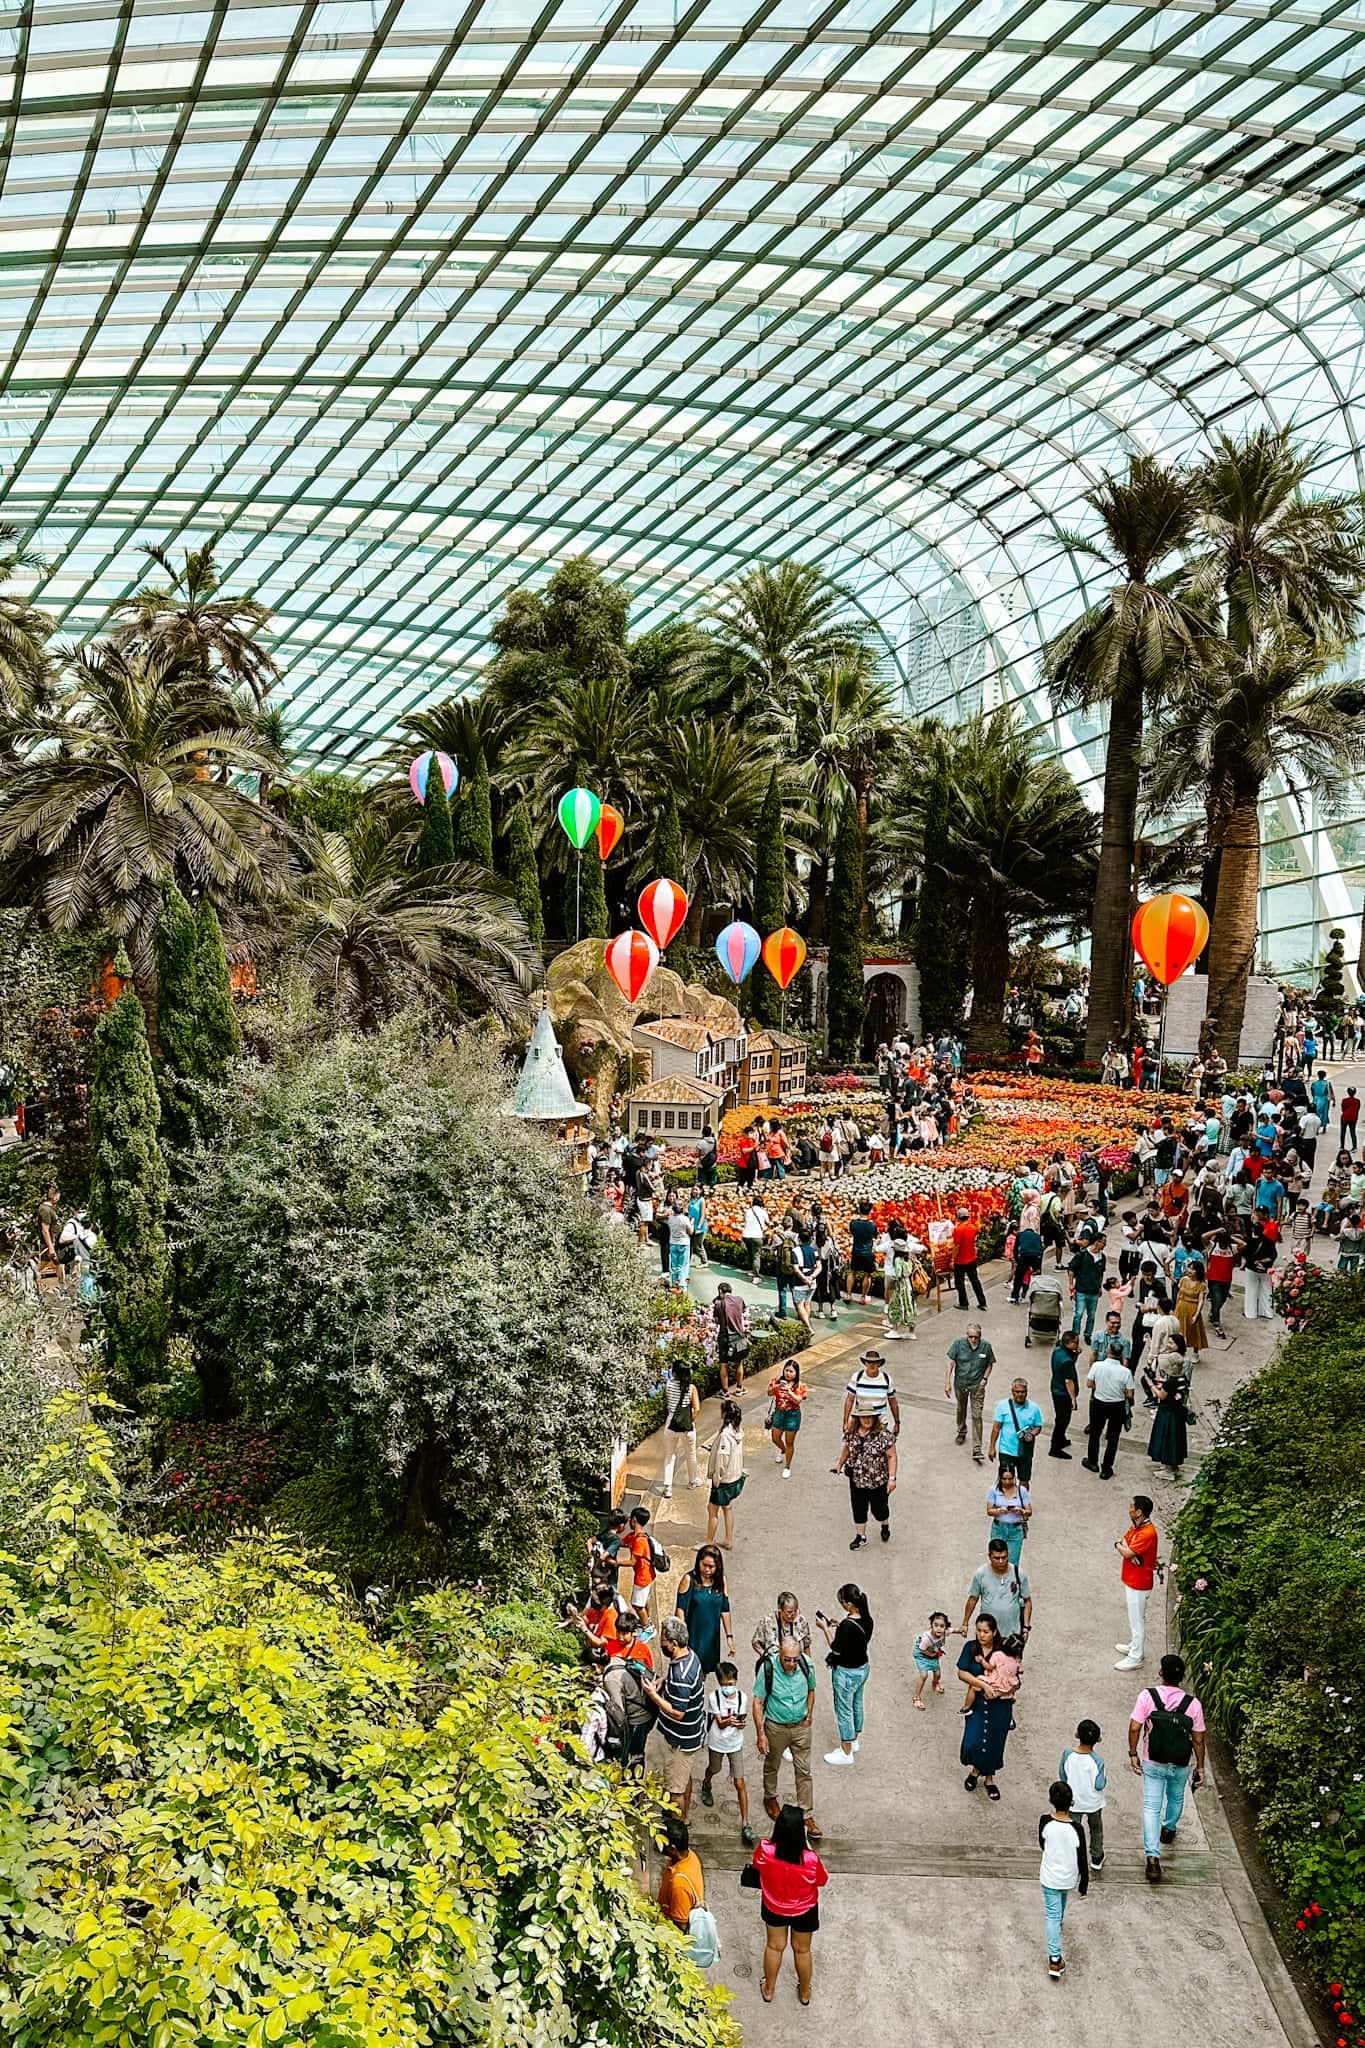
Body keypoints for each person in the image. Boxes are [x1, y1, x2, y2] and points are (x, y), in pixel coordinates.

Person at [1129, 1652, 1206, 1882]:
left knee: (1151, 1807)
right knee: (1176, 1797)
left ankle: (1152, 1857)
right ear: (1181, 1677)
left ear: (1161, 1673)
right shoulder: (1193, 1705)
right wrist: (1200, 1768)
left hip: (1153, 1759)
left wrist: (1133, 1753)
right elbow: (1198, 1740)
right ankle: (1169, 1828)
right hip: (1180, 1762)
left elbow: (1135, 1727)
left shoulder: (1147, 1696)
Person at [749, 1805, 829, 2007]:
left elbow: (757, 1865)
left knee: (774, 1946)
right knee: (802, 1950)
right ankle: (804, 1993)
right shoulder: (809, 1859)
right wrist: (809, 1850)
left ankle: (769, 1989)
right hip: (804, 1909)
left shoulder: (766, 1850)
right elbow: (821, 1879)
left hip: (774, 1905)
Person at [753, 1636, 821, 1840]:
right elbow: (758, 1702)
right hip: (776, 1727)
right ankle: (770, 1797)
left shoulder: (806, 1664)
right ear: (779, 1655)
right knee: (772, 1764)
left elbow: (811, 1690)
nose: (791, 1663)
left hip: (801, 1727)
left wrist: (809, 1714)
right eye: (787, 1659)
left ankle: (806, 1814)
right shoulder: (769, 1668)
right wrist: (761, 1734)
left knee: (804, 1771)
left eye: (794, 1659)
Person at [647, 1616, 708, 1817]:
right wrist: (663, 1682)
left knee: (675, 1790)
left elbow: (678, 1712)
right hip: (690, 1734)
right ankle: (685, 1816)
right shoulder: (689, 1657)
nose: (661, 1645)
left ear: (674, 1644)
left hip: (681, 1740)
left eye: (663, 1642)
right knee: (683, 1778)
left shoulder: (682, 1674)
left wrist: (653, 1695)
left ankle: (678, 1826)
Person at [957, 1614, 1015, 1798]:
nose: (981, 1635)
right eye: (979, 1630)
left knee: (994, 1743)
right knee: (974, 1740)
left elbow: (1014, 1673)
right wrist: (983, 1685)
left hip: (999, 1705)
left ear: (994, 1632)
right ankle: (975, 1770)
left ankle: (988, 1777)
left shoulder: (1002, 1651)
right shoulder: (970, 1648)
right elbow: (962, 1673)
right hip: (978, 1704)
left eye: (986, 1631)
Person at [815, 1583, 873, 1766]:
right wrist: (838, 1625)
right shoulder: (867, 1619)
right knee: (857, 1703)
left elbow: (836, 1649)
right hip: (862, 1668)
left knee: (844, 1710)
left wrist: (825, 1628)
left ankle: (846, 1751)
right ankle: (854, 1740)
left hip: (846, 1673)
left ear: (848, 1604)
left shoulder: (847, 1627)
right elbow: (858, 1639)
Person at [1038, 1780, 1089, 1979]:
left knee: (1052, 1913)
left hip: (1049, 1876)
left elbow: (1042, 1844)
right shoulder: (1076, 1829)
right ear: (1071, 1802)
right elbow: (1082, 1858)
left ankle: (1055, 1958)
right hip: (1068, 1877)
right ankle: (1055, 1953)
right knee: (1059, 1908)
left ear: (1051, 1800)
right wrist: (1084, 1883)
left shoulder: (1044, 1822)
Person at [701, 1659, 756, 1844]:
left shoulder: (742, 1698)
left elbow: (739, 1722)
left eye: (730, 1684)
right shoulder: (714, 1698)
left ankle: (745, 1823)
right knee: (714, 1768)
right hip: (717, 1742)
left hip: (735, 1744)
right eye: (724, 1684)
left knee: (739, 1782)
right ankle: (706, 1782)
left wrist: (739, 1724)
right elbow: (719, 1722)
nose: (728, 1688)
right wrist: (730, 1722)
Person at [832, 1404, 898, 1549]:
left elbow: (892, 1456)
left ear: (874, 1418)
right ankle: (860, 1536)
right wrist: (839, 1464)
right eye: (864, 1417)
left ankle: (884, 1524)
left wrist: (892, 1479)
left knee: (879, 1509)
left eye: (869, 1417)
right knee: (858, 1507)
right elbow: (847, 1448)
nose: (867, 1420)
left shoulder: (884, 1435)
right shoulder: (852, 1432)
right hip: (857, 1479)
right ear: (858, 1418)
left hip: (878, 1481)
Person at [1114, 1494, 1159, 1671]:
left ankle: (1136, 1656)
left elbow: (1126, 1551)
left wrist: (1120, 1547)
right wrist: (1124, 1548)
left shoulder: (1147, 1533)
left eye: (1132, 1507)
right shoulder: (1136, 1526)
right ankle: (1134, 1646)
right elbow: (1125, 1542)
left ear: (1139, 1512)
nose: (1129, 1509)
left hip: (1139, 1583)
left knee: (1137, 1620)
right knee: (1135, 1618)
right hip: (1132, 1579)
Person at [674, 1544, 734, 1677]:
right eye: (704, 1565)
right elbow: (680, 1609)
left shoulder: (721, 1581)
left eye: (711, 1567)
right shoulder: (689, 1580)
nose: (707, 1569)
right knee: (688, 1672)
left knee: (702, 1674)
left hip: (710, 1638)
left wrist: (729, 1636)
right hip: (693, 1637)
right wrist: (683, 1637)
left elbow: (725, 1609)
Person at [959, 1538, 1032, 1642]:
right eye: (997, 1558)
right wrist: (965, 1623)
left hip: (1012, 1634)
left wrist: (1025, 1627)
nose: (1001, 1561)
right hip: (988, 1634)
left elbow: (1027, 1601)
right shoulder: (981, 1574)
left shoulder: (1019, 1574)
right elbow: (973, 1599)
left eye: (1004, 1557)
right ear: (989, 1557)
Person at [1082, 1340, 1135, 1481]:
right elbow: (1130, 1394)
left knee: (1095, 1433)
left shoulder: (1097, 1366)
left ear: (1107, 1351)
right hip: (1117, 1406)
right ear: (1121, 1355)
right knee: (1113, 1437)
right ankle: (1106, 1467)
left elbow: (1089, 1384)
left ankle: (1092, 1461)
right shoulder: (1126, 1372)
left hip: (1099, 1403)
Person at [945, 1322, 996, 1464]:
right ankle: (961, 1431)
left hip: (977, 1386)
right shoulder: (958, 1344)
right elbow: (951, 1362)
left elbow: (990, 1363)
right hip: (960, 1383)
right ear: (966, 1335)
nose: (973, 1340)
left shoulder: (986, 1346)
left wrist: (985, 1379)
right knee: (961, 1409)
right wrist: (947, 1382)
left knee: (977, 1415)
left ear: (980, 1336)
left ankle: (977, 1448)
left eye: (976, 1337)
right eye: (970, 1336)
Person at [1059, 1719, 1106, 1872]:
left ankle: (1073, 1858)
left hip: (1074, 1801)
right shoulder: (1098, 1760)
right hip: (1093, 1803)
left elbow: (1062, 1775)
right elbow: (1099, 1784)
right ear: (1098, 1740)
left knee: (1073, 1829)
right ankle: (1096, 1857)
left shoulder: (1068, 1754)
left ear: (1077, 1735)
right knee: (1096, 1828)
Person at [705, 1400, 746, 1548]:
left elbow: (723, 1458)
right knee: (727, 1507)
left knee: (712, 1509)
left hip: (724, 1479)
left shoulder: (725, 1435)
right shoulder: (737, 1430)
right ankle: (728, 1540)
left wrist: (717, 1477)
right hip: (735, 1476)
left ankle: (709, 1541)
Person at [989, 1375, 1044, 1484]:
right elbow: (996, 1428)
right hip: (1006, 1451)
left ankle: (1022, 1500)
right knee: (1005, 1482)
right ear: (1012, 1392)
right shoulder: (1002, 1406)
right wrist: (992, 1447)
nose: (1020, 1394)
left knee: (1024, 1482)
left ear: (1027, 1392)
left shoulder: (1034, 1408)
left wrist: (1032, 1434)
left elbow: (1038, 1426)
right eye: (1017, 1391)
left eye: (1023, 1392)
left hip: (1025, 1452)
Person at [657, 1812, 705, 1930]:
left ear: (672, 1849)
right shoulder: (690, 1855)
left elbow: (681, 1925)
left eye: (661, 1841)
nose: (658, 1843)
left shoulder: (679, 1884)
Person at [661, 1361, 701, 1499]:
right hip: (687, 1427)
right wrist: (689, 1422)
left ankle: (667, 1487)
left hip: (671, 1424)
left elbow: (669, 1404)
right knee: (691, 1453)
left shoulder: (669, 1385)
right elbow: (697, 1409)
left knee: (669, 1455)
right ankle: (692, 1480)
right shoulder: (691, 1388)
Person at [766, 1357, 808, 1478]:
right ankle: (782, 1449)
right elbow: (769, 1393)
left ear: (796, 1373)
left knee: (790, 1442)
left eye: (791, 1371)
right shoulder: (777, 1381)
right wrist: (777, 1387)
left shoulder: (800, 1386)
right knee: (775, 1438)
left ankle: (787, 1466)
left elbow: (798, 1400)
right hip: (779, 1412)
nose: (788, 1373)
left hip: (792, 1415)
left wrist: (789, 1392)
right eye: (786, 1370)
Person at [842, 1349, 900, 1435]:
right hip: (860, 1423)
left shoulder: (886, 1379)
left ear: (879, 1364)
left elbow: (893, 1403)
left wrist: (897, 1422)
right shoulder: (857, 1377)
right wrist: (846, 1422)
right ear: (865, 1363)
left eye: (875, 1363)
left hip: (880, 1423)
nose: (872, 1365)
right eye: (869, 1362)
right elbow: (849, 1400)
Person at [985, 1463, 1031, 1565]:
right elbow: (989, 1511)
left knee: (1013, 1561)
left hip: (1015, 1529)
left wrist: (1021, 1511)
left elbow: (1029, 1511)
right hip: (999, 1528)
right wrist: (999, 1511)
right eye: (1004, 1479)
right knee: (997, 1560)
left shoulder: (1021, 1491)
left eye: (1010, 1479)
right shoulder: (994, 1490)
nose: (1007, 1482)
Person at [751, 1590, 812, 1663]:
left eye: (795, 1611)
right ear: (780, 1609)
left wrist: (809, 1665)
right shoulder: (767, 1622)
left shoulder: (801, 1621)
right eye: (789, 1612)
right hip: (774, 1666)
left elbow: (806, 1646)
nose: (793, 1615)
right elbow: (755, 1642)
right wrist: (765, 1657)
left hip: (797, 1665)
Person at [620, 1505, 660, 1614]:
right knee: (644, 1599)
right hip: (648, 1574)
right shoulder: (633, 1536)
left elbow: (632, 1561)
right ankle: (648, 1621)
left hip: (642, 1576)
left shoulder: (640, 1541)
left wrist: (616, 1563)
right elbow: (621, 1542)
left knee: (637, 1605)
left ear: (634, 1520)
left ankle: (647, 1626)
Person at [1048, 1329, 1081, 1459]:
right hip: (1063, 1394)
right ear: (1070, 1342)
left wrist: (1075, 1354)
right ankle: (1055, 1447)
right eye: (1076, 1343)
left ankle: (1061, 1439)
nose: (1078, 1345)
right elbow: (1069, 1381)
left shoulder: (1058, 1351)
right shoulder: (1066, 1360)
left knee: (1060, 1416)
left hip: (1055, 1388)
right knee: (1063, 1420)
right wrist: (1073, 1399)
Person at [1068, 1235, 1105, 1345]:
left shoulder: (1102, 1257)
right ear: (1096, 1242)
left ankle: (1088, 1334)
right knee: (1078, 1314)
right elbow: (1071, 1269)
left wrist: (1099, 1286)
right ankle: (1075, 1334)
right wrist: (1071, 1284)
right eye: (1103, 1242)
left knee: (1091, 1315)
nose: (1104, 1244)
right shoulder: (1082, 1255)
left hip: (1094, 1291)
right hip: (1081, 1290)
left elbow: (1101, 1273)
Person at [713, 1283, 749, 1392]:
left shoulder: (719, 1304)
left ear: (720, 1292)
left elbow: (716, 1320)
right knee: (739, 1363)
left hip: (724, 1337)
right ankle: (739, 1387)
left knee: (723, 1364)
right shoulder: (739, 1300)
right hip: (738, 1336)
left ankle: (725, 1391)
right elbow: (742, 1311)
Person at [912, 1610, 951, 1710]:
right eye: (936, 1625)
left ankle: (935, 1682)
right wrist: (931, 1655)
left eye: (942, 1626)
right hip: (923, 1654)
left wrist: (961, 1630)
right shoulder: (926, 1639)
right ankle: (916, 1697)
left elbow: (953, 1630)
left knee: (937, 1674)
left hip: (933, 1653)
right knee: (924, 1675)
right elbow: (922, 1649)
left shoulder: (944, 1633)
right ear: (931, 1625)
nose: (939, 1628)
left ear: (945, 1627)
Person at [952, 1204, 987, 1310]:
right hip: (971, 1259)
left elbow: (957, 1246)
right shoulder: (973, 1228)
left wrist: (952, 1259)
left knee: (960, 1282)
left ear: (958, 1217)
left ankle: (963, 1303)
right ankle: (982, 1302)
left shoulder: (958, 1230)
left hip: (960, 1260)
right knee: (975, 1281)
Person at [1175, 1258, 1209, 1366]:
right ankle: (1179, 1351)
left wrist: (1197, 1314)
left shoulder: (1201, 1285)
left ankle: (1195, 1352)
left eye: (1192, 1269)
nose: (1189, 1271)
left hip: (1192, 1308)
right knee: (1179, 1331)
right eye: (1189, 1268)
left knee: (1194, 1331)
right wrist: (1176, 1307)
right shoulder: (1183, 1280)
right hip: (1181, 1306)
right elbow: (1179, 1294)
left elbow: (1201, 1301)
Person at [847, 1200, 878, 1305]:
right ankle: (863, 1297)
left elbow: (851, 1233)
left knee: (852, 1272)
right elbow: (875, 1236)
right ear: (870, 1211)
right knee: (867, 1275)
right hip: (867, 1252)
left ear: (859, 1210)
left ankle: (848, 1295)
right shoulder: (872, 1225)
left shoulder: (853, 1223)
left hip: (856, 1251)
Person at [1243, 1224, 1277, 1320]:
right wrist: (1262, 1262)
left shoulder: (1249, 1241)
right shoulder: (1269, 1242)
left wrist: (1256, 1262)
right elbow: (1273, 1256)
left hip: (1251, 1269)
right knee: (1267, 1291)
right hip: (1266, 1270)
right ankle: (1267, 1313)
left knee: (1251, 1291)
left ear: (1254, 1230)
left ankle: (1250, 1313)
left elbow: (1245, 1255)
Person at [666, 1197, 694, 1289]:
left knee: (674, 1265)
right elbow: (690, 1232)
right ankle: (682, 1285)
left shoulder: (670, 1218)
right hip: (684, 1243)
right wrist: (692, 1223)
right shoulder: (685, 1219)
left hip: (673, 1243)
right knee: (684, 1265)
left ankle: (674, 1283)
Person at [741, 1194, 769, 1280]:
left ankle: (751, 1270)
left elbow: (745, 1221)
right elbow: (767, 1222)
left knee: (750, 1254)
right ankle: (756, 1275)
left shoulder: (748, 1211)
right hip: (757, 1236)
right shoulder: (763, 1212)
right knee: (756, 1255)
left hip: (746, 1236)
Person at [1341, 1085, 1360, 1154]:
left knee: (1343, 1132)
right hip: (1353, 1118)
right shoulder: (1357, 1101)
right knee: (1353, 1132)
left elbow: (1343, 1109)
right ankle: (1354, 1147)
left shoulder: (1345, 1100)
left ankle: (1342, 1146)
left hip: (1345, 1117)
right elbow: (1357, 1109)